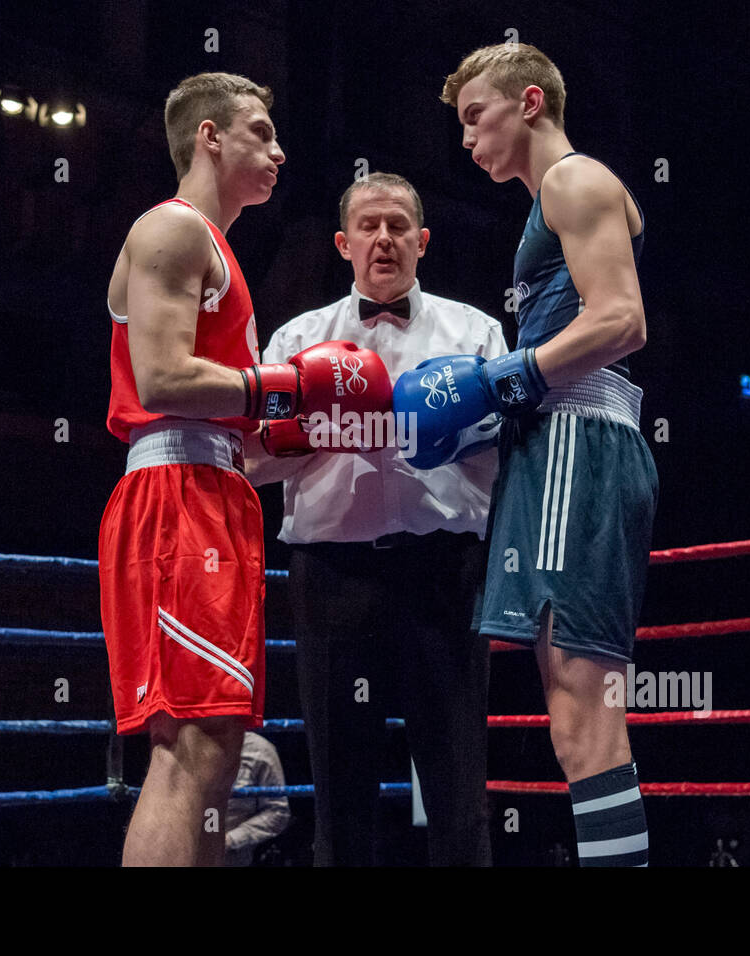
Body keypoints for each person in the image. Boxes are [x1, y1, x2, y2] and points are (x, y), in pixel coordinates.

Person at [99, 72, 391, 866]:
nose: (279, 149)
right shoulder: (173, 230)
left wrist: (313, 436)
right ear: (210, 137)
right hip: (174, 500)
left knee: (216, 746)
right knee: (189, 748)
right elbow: (161, 381)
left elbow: (226, 435)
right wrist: (288, 384)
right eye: (260, 131)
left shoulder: (220, 251)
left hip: (214, 491)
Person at [395, 42, 656, 867]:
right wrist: (499, 395)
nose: (467, 139)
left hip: (577, 443)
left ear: (531, 102)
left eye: (477, 116)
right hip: (565, 444)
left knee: (582, 716)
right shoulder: (549, 200)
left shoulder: (575, 181)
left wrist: (504, 379)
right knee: (581, 712)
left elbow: (622, 321)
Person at [247, 172, 505, 866]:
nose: (384, 238)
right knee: (340, 784)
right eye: (369, 226)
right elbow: (249, 460)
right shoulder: (298, 338)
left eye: (398, 227)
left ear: (422, 242)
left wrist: (447, 427)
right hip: (333, 578)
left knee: (457, 786)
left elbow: (510, 446)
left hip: (444, 573)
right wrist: (328, 427)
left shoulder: (475, 331)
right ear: (343, 243)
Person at [223, 731, 292, 866]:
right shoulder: (185, 744)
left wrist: (231, 840)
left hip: (231, 859)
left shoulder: (257, 750)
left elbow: (277, 812)